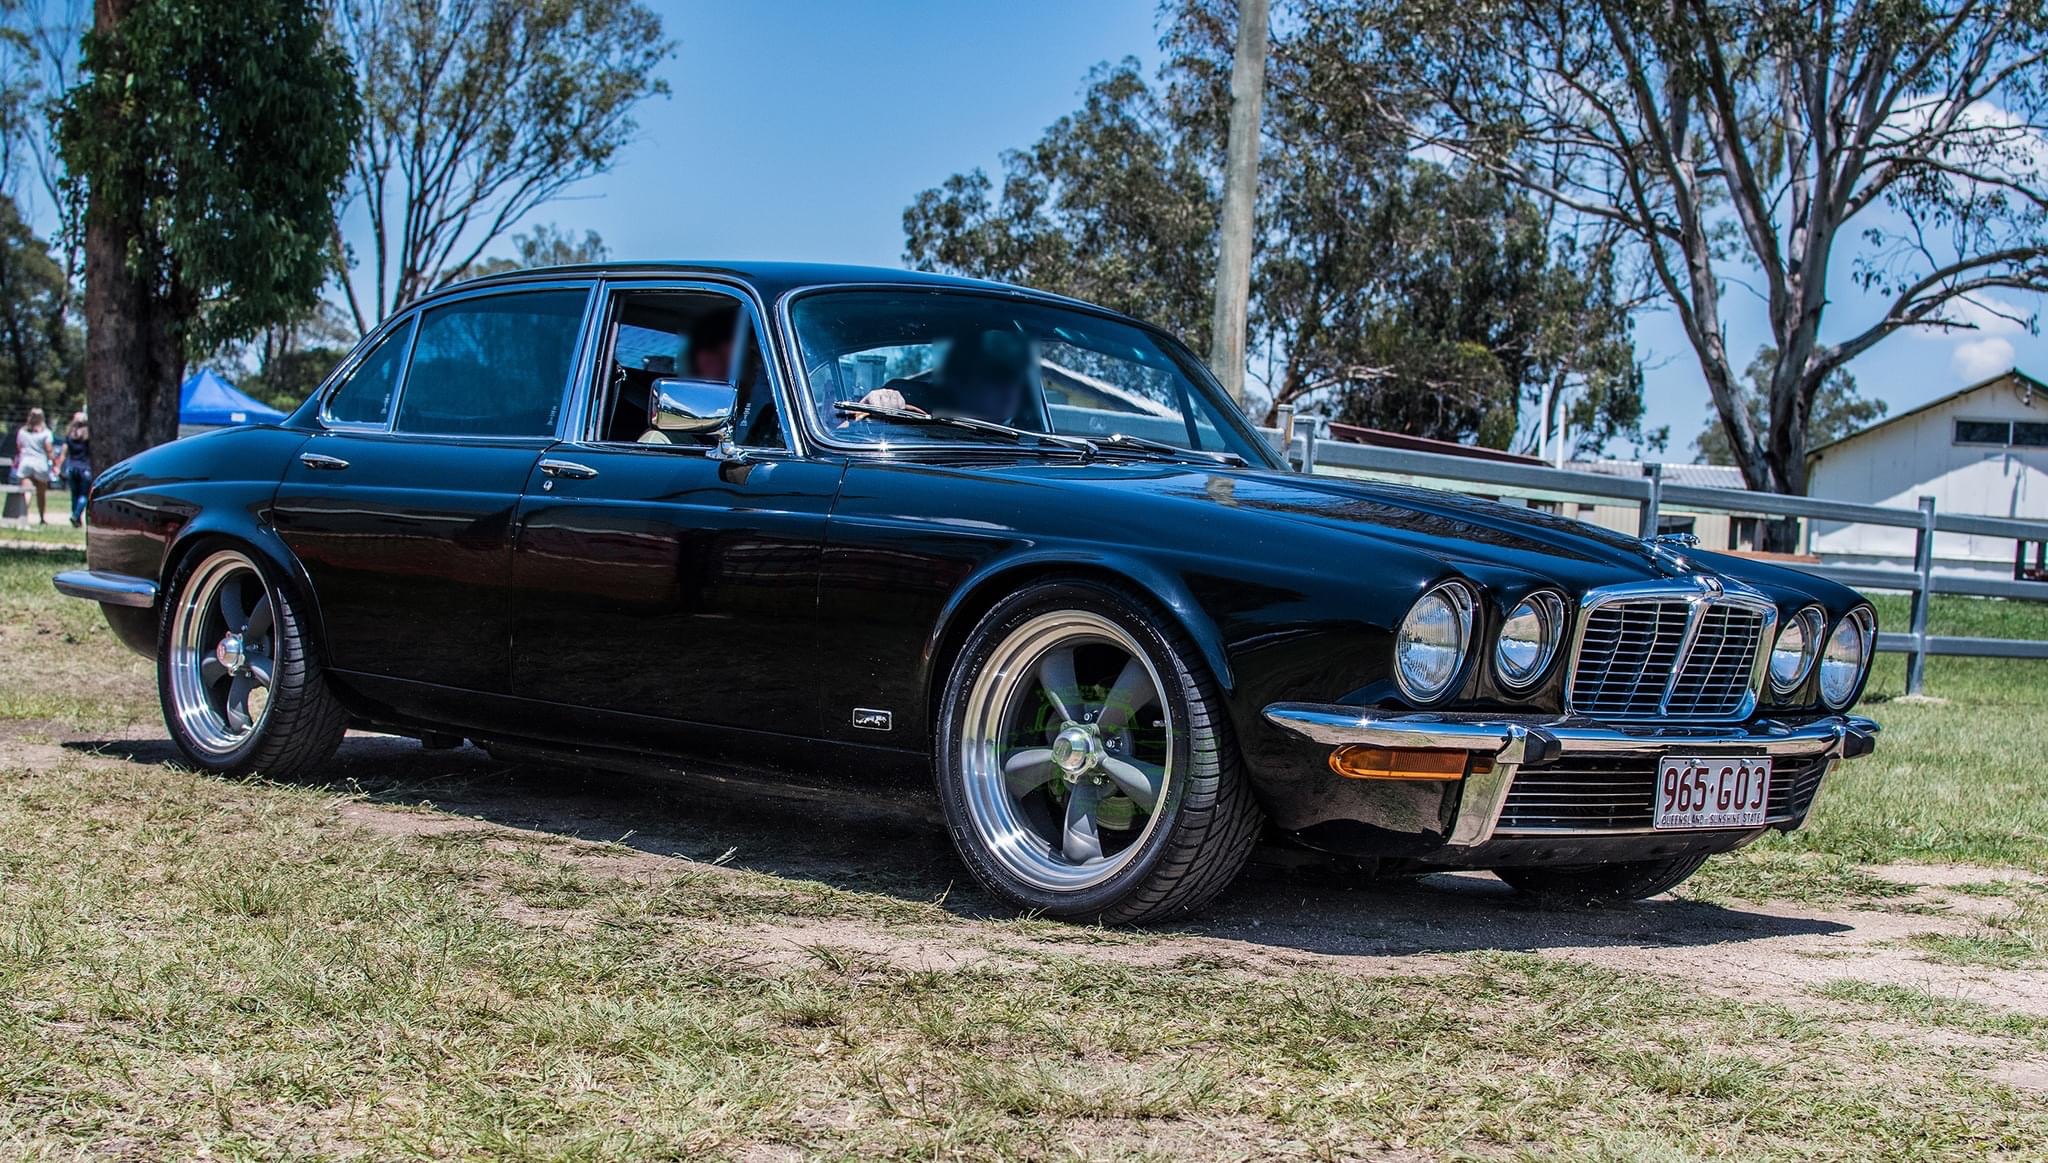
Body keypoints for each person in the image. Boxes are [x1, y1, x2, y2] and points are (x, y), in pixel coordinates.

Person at [13, 407, 56, 525]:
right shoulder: (46, 433)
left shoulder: (22, 431)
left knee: (27, 491)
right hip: (40, 464)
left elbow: (19, 447)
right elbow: (49, 449)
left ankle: (23, 517)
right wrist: (55, 464)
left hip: (25, 462)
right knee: (41, 494)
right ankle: (42, 518)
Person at [62, 410, 91, 527]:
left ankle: (76, 518)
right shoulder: (87, 435)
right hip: (85, 468)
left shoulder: (69, 435)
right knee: (84, 495)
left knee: (74, 495)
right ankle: (76, 515)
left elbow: (64, 451)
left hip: (71, 467)